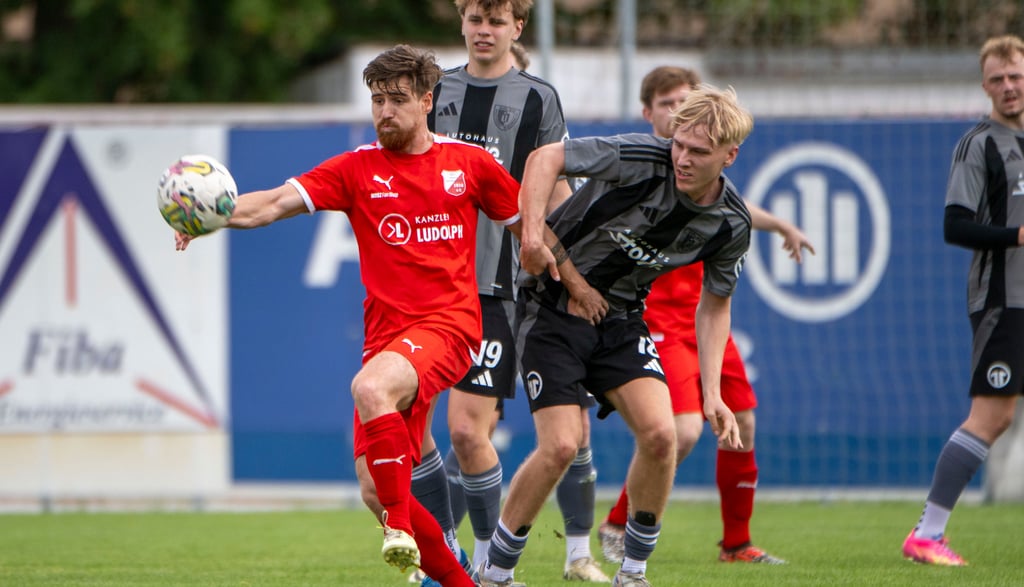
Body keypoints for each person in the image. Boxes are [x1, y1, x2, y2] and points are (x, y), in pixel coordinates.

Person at [173, 44, 534, 587]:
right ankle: (456, 577)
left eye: (397, 99)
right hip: (388, 339)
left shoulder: (468, 164)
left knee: (370, 391)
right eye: (377, 100)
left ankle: (398, 532)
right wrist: (213, 217)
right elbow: (271, 204)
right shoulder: (357, 169)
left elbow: (530, 230)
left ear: (426, 102)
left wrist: (571, 279)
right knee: (373, 485)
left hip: (450, 327)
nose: (385, 110)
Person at [476, 83, 751, 587]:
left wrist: (712, 393)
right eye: (679, 144)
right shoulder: (640, 157)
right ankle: (494, 571)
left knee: (663, 434)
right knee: (561, 446)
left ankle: (633, 573)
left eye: (699, 152)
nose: (683, 158)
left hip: (620, 318)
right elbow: (543, 158)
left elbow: (715, 306)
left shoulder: (730, 224)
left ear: (730, 156)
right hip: (549, 306)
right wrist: (534, 235)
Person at [412, 1, 608, 584]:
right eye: (475, 18)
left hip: (500, 289)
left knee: (471, 431)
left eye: (496, 21)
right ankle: (448, 558)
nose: (483, 30)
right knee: (417, 430)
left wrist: (577, 263)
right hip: (428, 288)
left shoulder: (538, 99)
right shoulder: (432, 90)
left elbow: (555, 190)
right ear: (462, 22)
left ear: (517, 28)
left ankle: (505, 561)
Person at [597, 65, 812, 566]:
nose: (680, 114)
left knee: (744, 423)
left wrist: (779, 222)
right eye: (669, 103)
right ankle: (618, 520)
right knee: (685, 430)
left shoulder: (707, 175)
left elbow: (732, 207)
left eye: (686, 102)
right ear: (648, 113)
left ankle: (736, 543)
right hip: (655, 322)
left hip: (704, 319)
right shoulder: (644, 166)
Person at [902, 34, 1024, 567]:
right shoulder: (979, 144)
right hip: (1005, 299)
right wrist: (1017, 236)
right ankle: (928, 533)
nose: (1008, 87)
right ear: (984, 86)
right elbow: (955, 225)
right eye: (997, 79)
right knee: (992, 418)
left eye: (1016, 75)